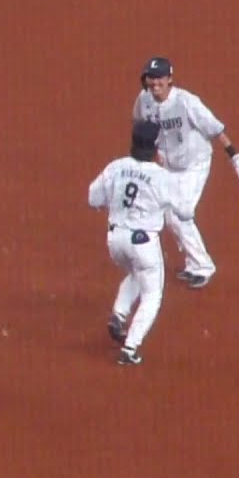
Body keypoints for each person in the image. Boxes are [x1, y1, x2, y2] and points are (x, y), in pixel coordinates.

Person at [132, 57, 239, 288]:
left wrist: (234, 155)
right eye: (151, 78)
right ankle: (196, 264)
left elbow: (214, 128)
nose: (154, 83)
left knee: (181, 214)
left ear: (169, 79)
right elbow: (139, 124)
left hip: (194, 165)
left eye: (159, 78)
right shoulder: (143, 100)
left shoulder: (186, 102)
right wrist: (150, 152)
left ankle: (203, 267)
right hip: (168, 167)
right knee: (170, 216)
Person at [88, 121, 193, 365]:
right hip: (142, 242)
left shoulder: (116, 167)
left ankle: (119, 315)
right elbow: (186, 211)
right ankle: (130, 348)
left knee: (138, 272)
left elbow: (93, 198)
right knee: (152, 293)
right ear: (155, 147)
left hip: (115, 240)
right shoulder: (161, 176)